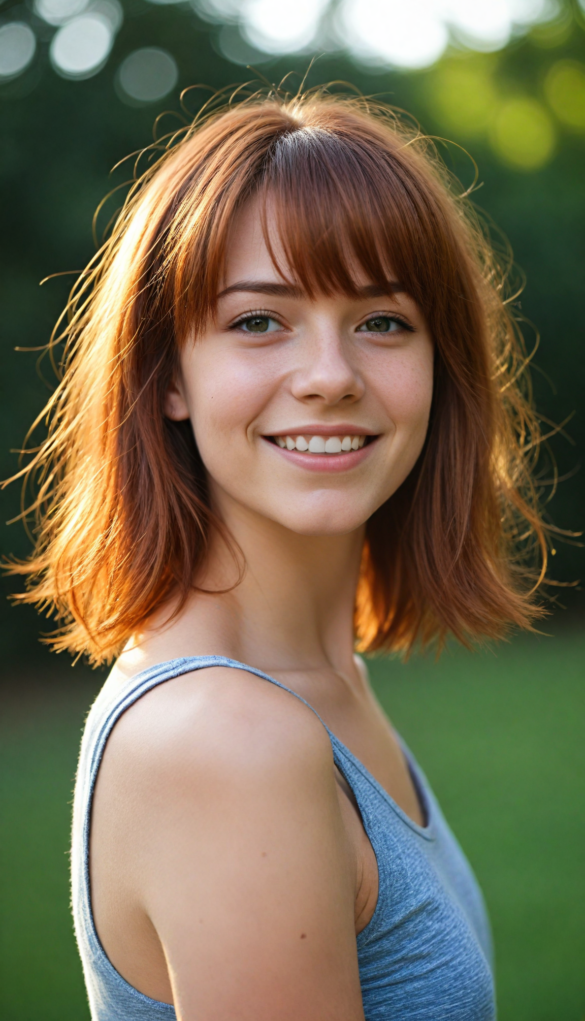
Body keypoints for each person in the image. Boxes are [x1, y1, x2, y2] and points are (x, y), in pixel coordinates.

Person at [10, 87, 547, 1020]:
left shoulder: (318, 685)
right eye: (258, 321)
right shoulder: (226, 740)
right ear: (168, 373)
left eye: (383, 320)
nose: (331, 376)